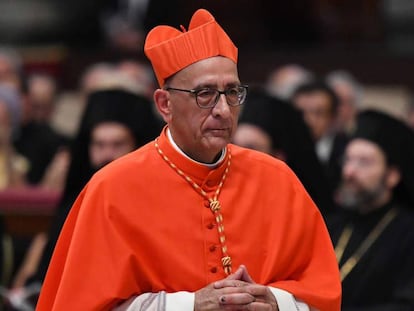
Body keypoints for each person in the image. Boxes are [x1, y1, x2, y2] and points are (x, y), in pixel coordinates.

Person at [36, 9, 341, 311]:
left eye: (232, 91)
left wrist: (276, 302)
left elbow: (323, 295)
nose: (223, 109)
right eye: (205, 93)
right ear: (164, 104)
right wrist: (187, 305)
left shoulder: (277, 179)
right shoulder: (111, 189)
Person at [5, 88, 162, 309]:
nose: (107, 155)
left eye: (117, 145)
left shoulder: (157, 208)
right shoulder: (73, 205)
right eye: (99, 145)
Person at [327, 109, 414, 310]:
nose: (349, 172)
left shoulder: (408, 234)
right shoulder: (332, 225)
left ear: (391, 176)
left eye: (364, 163)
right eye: (348, 160)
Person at [233, 87, 335, 216]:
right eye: (235, 147)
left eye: (251, 148)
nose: (239, 155)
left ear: (278, 157)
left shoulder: (297, 212)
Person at [291, 80, 349, 194]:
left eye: (318, 113)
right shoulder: (283, 152)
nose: (308, 120)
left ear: (333, 118)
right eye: (301, 113)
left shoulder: (347, 151)